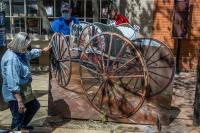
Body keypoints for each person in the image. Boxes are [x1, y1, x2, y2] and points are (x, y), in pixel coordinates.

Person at [1, 32, 51, 131]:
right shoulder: (12, 59)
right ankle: (17, 129)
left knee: (34, 106)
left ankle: (22, 126)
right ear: (20, 45)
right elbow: (12, 84)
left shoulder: (21, 52)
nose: (28, 48)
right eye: (27, 46)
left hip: (24, 89)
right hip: (15, 94)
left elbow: (30, 53)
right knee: (18, 116)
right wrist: (20, 101)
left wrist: (43, 50)